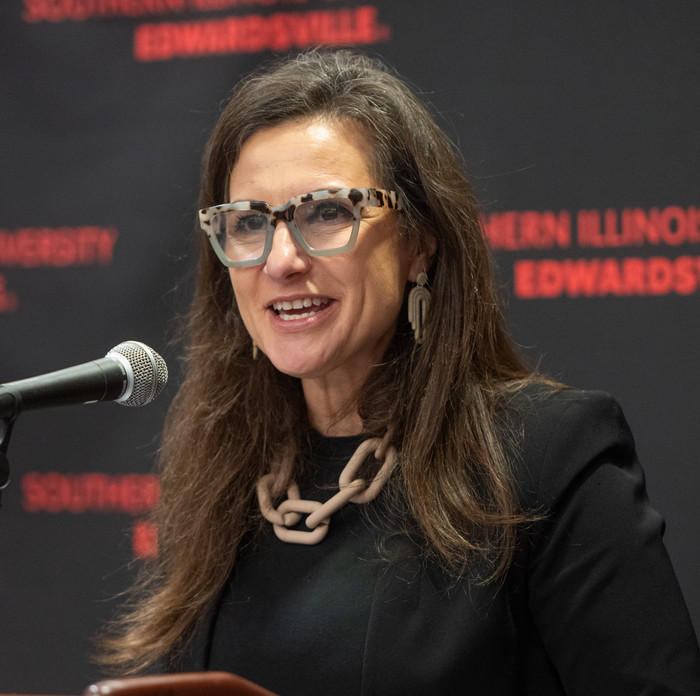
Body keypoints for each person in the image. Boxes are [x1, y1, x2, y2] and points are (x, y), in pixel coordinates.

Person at [98, 49, 700, 695]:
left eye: (326, 212)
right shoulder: (224, 472)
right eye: (248, 223)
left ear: (420, 243)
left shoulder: (548, 455)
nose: (281, 260)